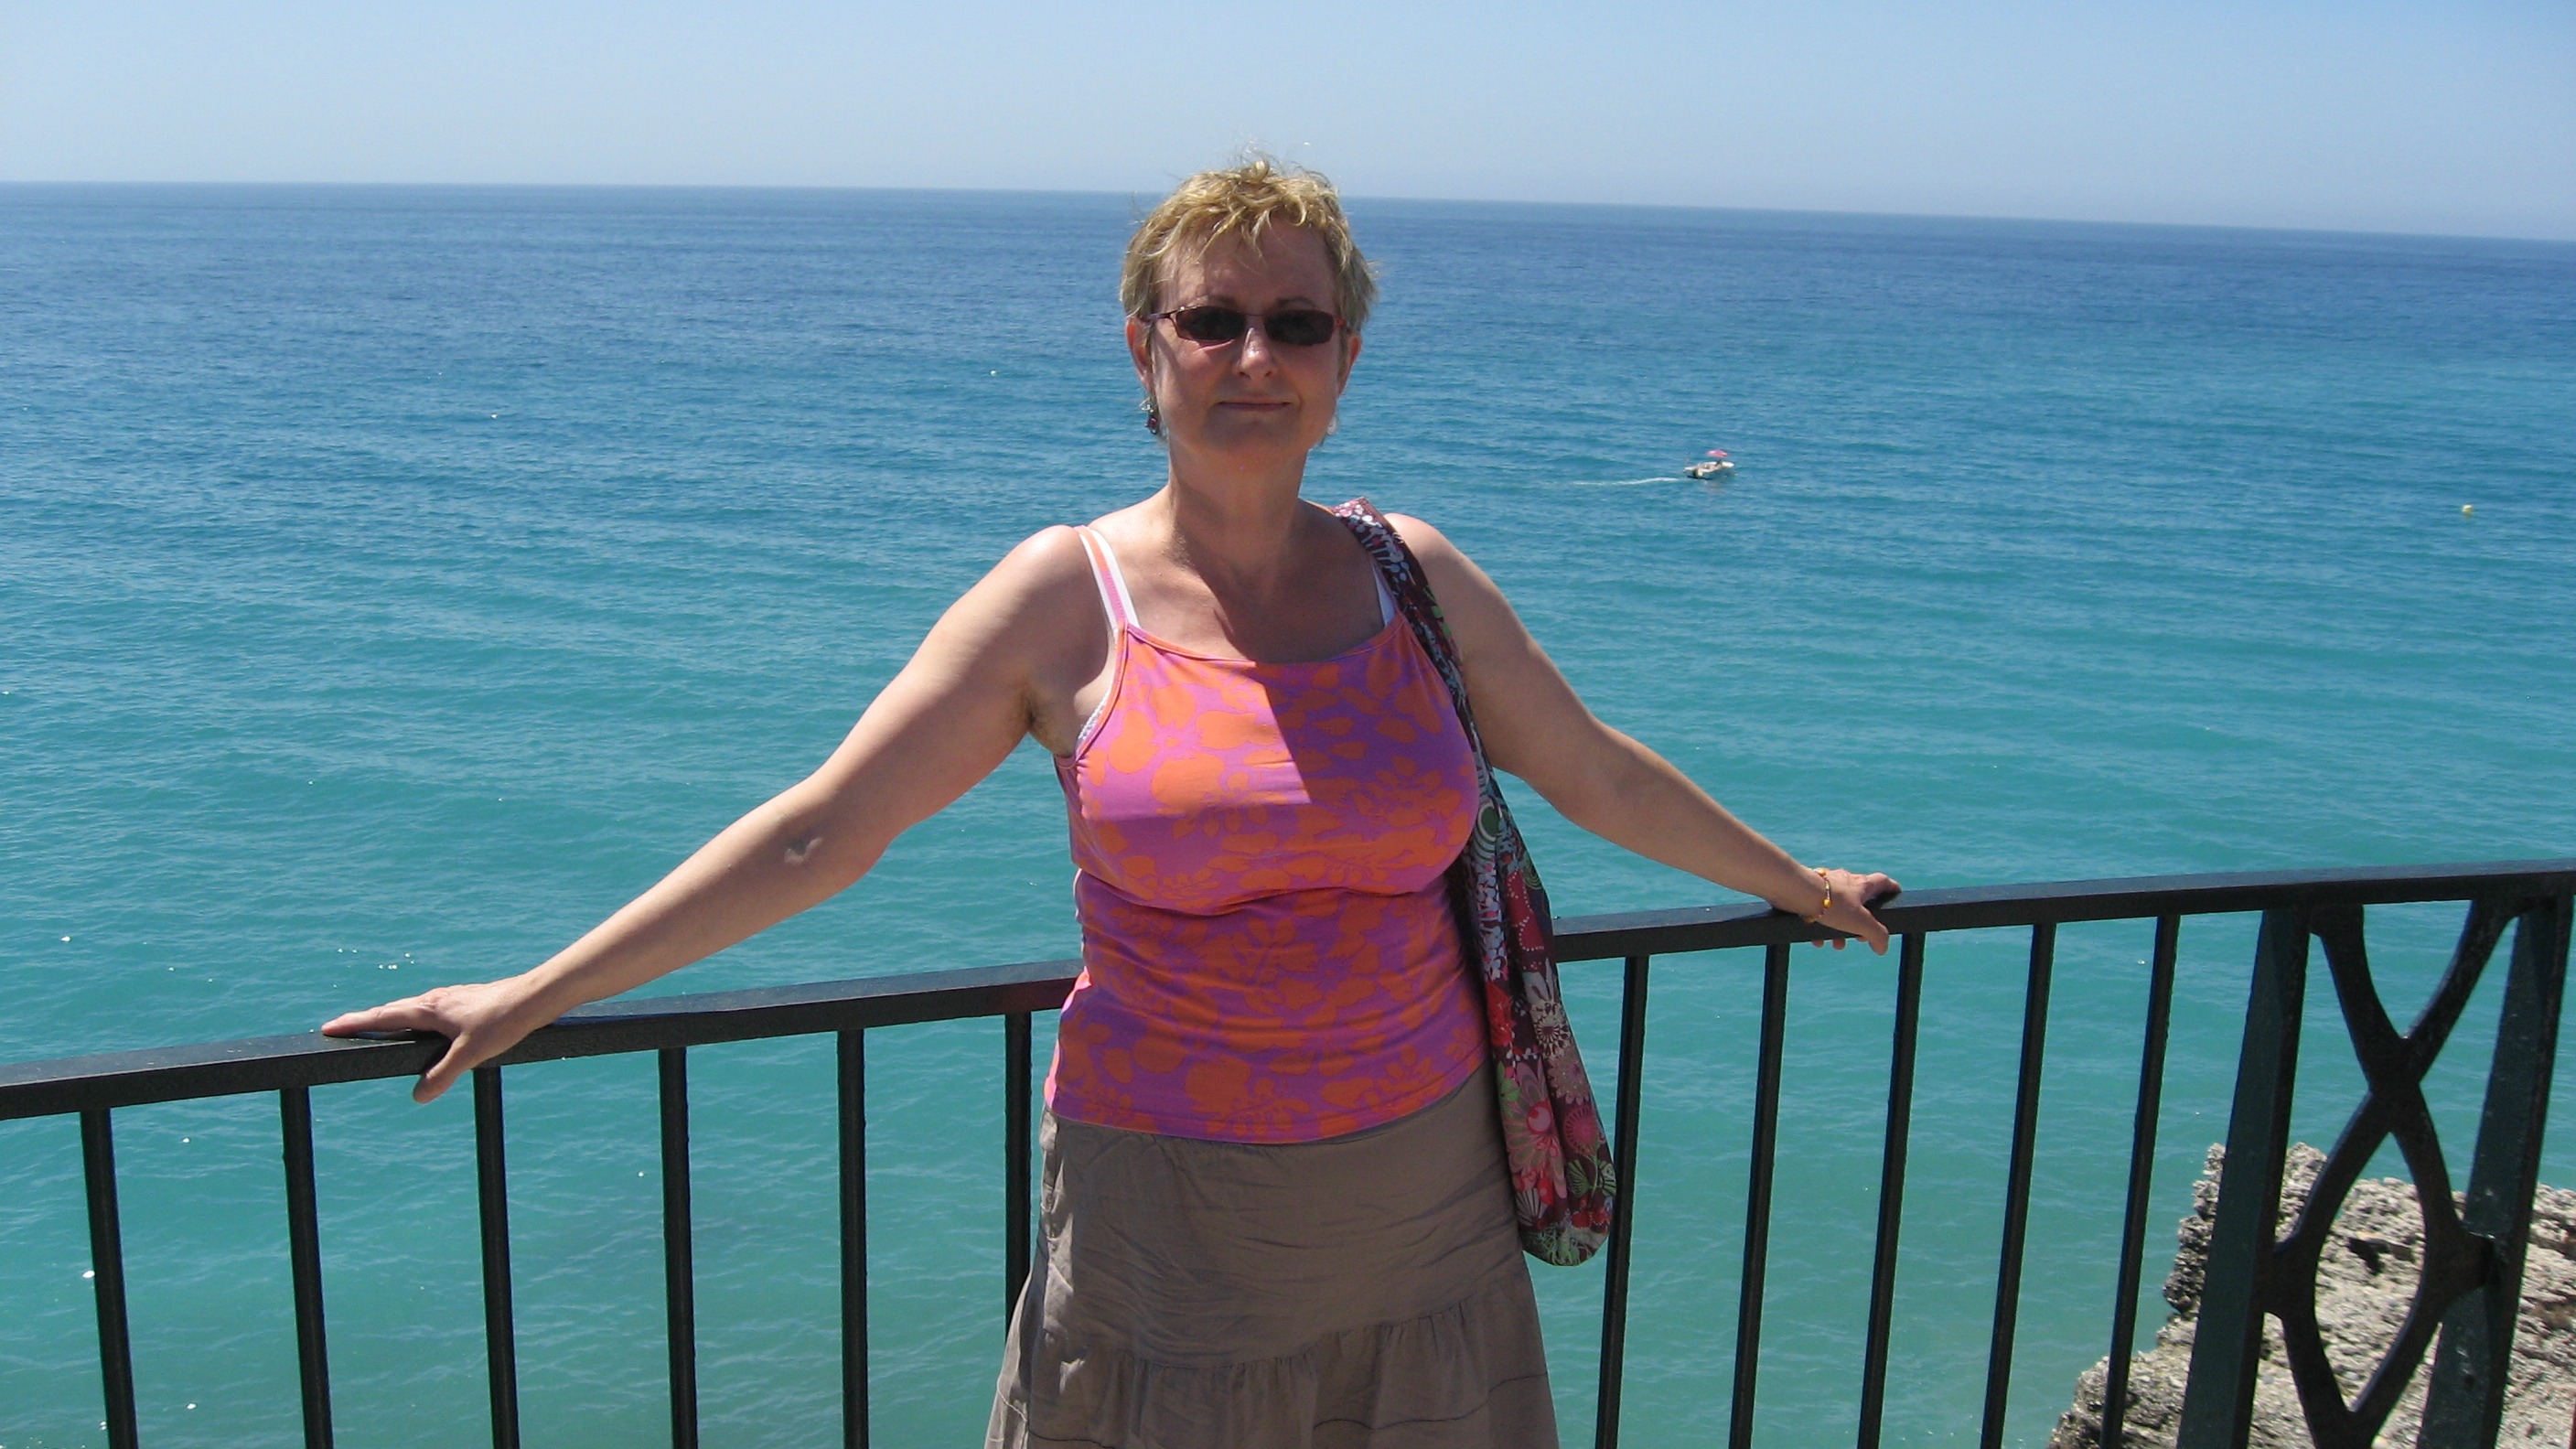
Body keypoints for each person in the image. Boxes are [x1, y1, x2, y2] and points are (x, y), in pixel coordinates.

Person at [323, 156, 1897, 1449]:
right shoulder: (1062, 600)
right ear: (1145, 350)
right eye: (1213, 321)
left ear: (1346, 363)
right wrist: (536, 994)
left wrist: (1802, 886)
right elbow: (822, 830)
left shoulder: (1410, 575)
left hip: (1424, 1196)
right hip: (1171, 1220)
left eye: (1298, 322)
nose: (1255, 357)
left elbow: (1595, 766)